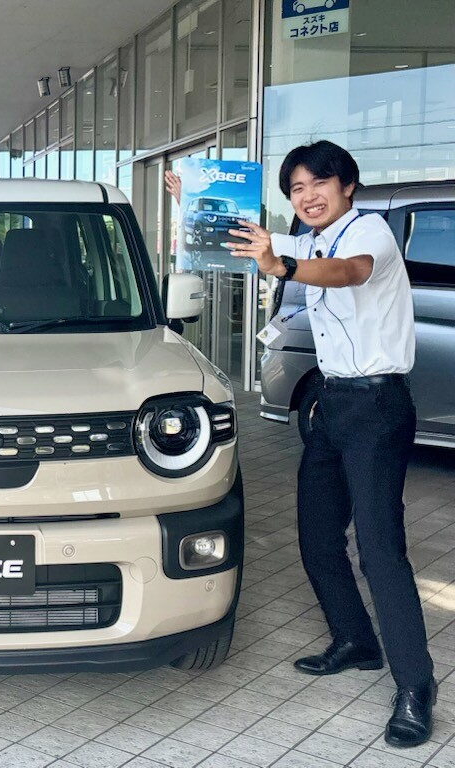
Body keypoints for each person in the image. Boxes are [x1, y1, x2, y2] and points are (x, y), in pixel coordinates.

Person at [222, 141, 435, 748]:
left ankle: (416, 687)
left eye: (319, 183)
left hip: (377, 407)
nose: (308, 196)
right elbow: (252, 238)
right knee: (317, 536)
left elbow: (349, 273)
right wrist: (196, 203)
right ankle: (356, 640)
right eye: (296, 188)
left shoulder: (369, 232)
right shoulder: (310, 239)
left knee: (380, 550)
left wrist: (282, 267)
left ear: (347, 186)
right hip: (331, 401)